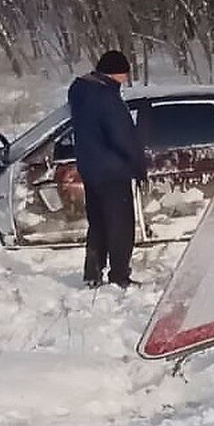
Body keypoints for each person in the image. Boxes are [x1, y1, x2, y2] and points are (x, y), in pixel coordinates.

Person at [68, 50, 146, 288]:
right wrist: (138, 166)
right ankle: (119, 275)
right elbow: (123, 136)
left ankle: (93, 273)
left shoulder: (79, 91)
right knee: (120, 225)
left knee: (98, 222)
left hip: (90, 169)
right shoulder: (107, 98)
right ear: (116, 73)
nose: (125, 79)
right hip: (113, 170)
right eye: (124, 74)